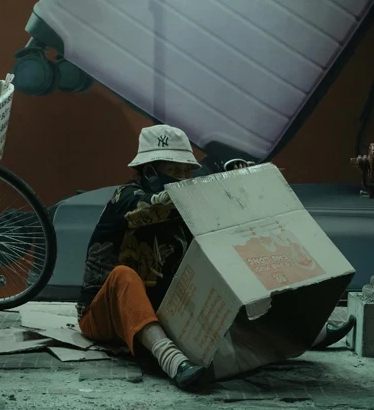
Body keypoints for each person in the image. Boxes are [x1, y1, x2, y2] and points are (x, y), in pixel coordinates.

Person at [76, 125, 355, 391]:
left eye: (187, 171)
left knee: (228, 255)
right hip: (104, 314)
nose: (183, 178)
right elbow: (155, 207)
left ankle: (298, 332)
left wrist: (239, 183)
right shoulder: (125, 198)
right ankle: (171, 360)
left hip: (160, 310)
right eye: (173, 170)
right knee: (124, 276)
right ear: (149, 172)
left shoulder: (187, 207)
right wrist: (217, 182)